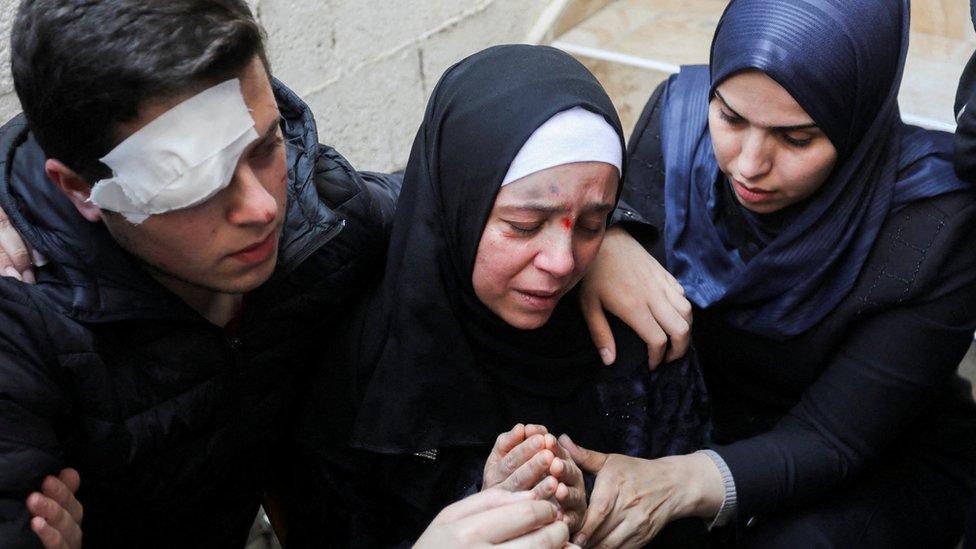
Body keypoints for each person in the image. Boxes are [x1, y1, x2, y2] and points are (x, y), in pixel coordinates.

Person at [0, 2, 573, 547]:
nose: (262, 209)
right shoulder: (23, 326)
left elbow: (450, 205)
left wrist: (594, 229)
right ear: (81, 190)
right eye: (195, 179)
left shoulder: (315, 215)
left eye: (264, 146)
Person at [574, 0, 976, 546]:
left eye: (797, 138)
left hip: (876, 453)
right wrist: (608, 236)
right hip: (703, 418)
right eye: (732, 118)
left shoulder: (934, 223)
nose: (749, 165)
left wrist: (678, 482)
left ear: (857, 118)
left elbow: (834, 438)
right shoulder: (681, 120)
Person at [279, 44, 709, 547]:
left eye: (594, 223)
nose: (563, 261)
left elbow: (692, 513)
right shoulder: (363, 373)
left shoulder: (635, 328)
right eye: (524, 226)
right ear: (458, 207)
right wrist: (483, 511)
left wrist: (593, 514)